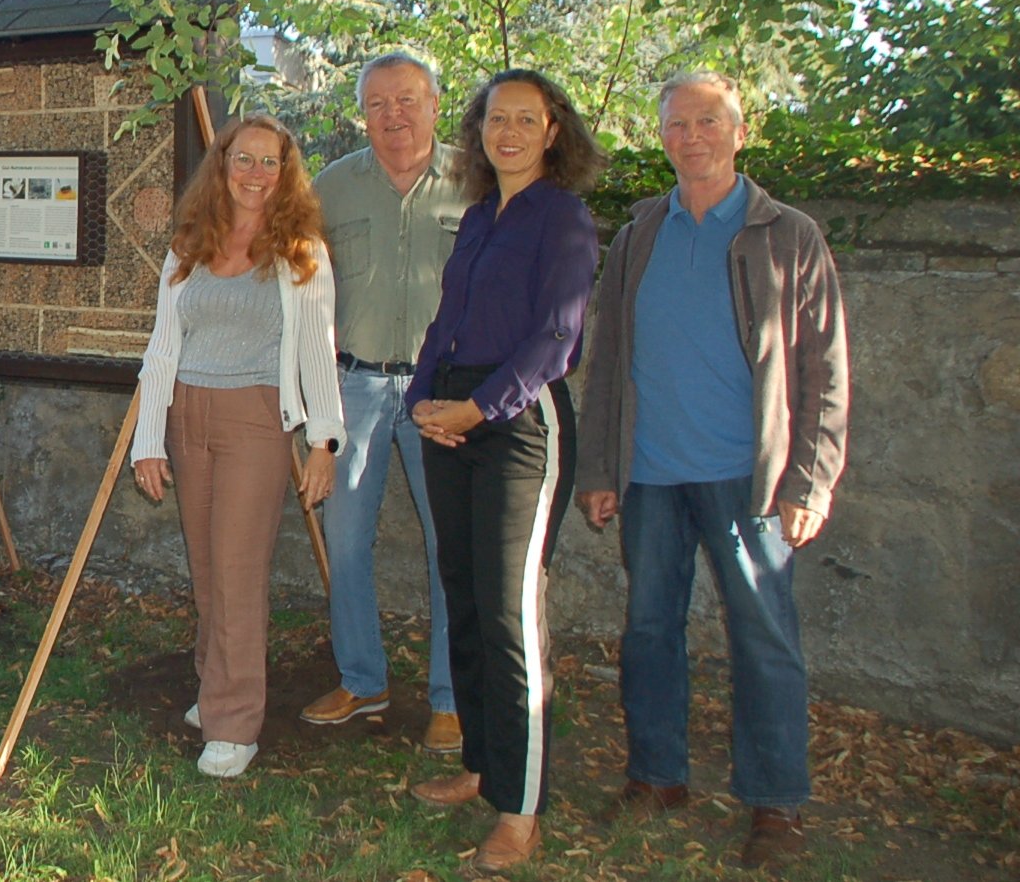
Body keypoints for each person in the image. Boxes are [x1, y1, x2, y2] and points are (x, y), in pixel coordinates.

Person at [575, 72, 848, 870]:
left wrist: (811, 480)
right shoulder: (639, 234)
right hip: (652, 474)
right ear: (660, 135)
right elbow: (609, 360)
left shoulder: (786, 234)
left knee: (765, 641)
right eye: (675, 124)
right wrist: (599, 467)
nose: (690, 136)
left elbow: (825, 370)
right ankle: (658, 776)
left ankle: (776, 802)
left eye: (707, 121)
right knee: (649, 630)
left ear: (738, 130)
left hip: (750, 481)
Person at [404, 69, 602, 872]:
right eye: (496, 118)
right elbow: (446, 319)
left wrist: (479, 409)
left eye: (527, 118)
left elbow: (557, 336)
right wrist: (422, 399)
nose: (508, 131)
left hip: (518, 423)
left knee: (511, 616)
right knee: (466, 595)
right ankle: (483, 767)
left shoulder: (566, 217)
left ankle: (520, 810)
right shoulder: (482, 216)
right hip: (450, 415)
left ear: (553, 132)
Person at [131, 114, 344, 779]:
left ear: (287, 174)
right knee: (206, 567)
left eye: (270, 162)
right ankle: (213, 685)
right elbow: (163, 347)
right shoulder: (190, 244)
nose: (255, 174)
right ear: (221, 166)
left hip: (255, 418)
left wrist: (323, 440)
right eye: (243, 160)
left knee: (237, 570)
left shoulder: (300, 250)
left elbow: (317, 348)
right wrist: (148, 440)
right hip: (187, 415)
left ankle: (234, 721)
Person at [306, 52, 470, 752]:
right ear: (362, 114)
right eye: (377, 103)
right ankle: (362, 677)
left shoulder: (477, 182)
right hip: (355, 386)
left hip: (447, 395)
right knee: (344, 540)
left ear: (435, 104)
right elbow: (302, 289)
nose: (393, 115)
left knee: (451, 548)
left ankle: (451, 697)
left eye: (407, 100)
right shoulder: (331, 189)